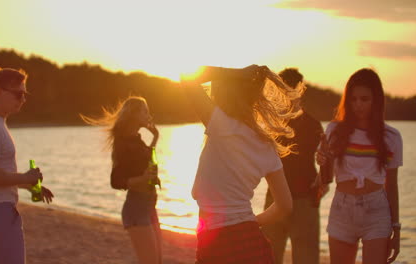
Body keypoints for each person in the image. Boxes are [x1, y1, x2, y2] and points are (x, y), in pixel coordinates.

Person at [181, 65, 300, 263]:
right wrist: (252, 222)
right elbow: (285, 206)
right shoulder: (266, 144)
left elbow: (187, 76)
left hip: (220, 244)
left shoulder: (221, 125)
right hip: (252, 243)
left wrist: (234, 73)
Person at [0, 67, 54, 264]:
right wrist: (25, 177)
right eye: (18, 94)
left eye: (25, 94)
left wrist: (29, 185)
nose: (22, 99)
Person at [316, 68, 403, 264]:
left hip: (376, 211)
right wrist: (322, 160)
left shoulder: (391, 137)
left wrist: (396, 229)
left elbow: (391, 185)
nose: (358, 105)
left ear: (376, 100)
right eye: (353, 99)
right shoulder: (335, 130)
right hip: (342, 209)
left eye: (365, 99)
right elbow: (324, 180)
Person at [82, 96, 162, 264]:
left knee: (157, 261)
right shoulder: (123, 143)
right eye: (145, 111)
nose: (149, 115)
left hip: (149, 206)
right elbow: (116, 181)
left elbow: (148, 161)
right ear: (134, 114)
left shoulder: (137, 140)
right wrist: (142, 179)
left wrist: (155, 138)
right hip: (136, 208)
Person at [261, 68, 326, 264]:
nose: (287, 97)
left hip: (304, 199)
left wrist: (324, 181)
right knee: (269, 256)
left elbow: (326, 162)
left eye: (291, 91)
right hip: (274, 198)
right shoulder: (270, 126)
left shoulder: (313, 126)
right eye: (282, 91)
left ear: (300, 91)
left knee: (306, 257)